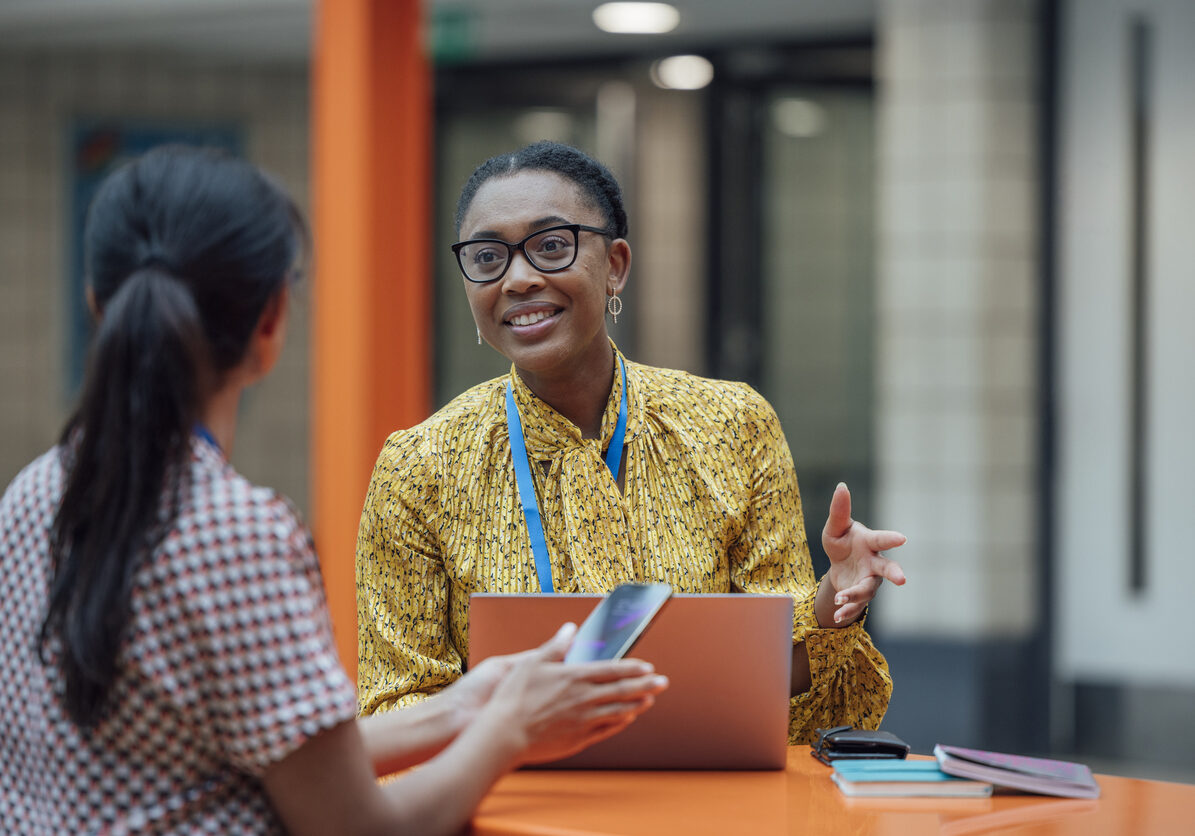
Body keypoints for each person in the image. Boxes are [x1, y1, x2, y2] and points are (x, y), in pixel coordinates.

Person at [0, 146, 668, 836]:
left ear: (95, 307)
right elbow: (359, 827)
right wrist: (510, 730)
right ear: (271, 320)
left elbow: (261, 753)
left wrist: (469, 705)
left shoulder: (33, 493)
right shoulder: (237, 533)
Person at [356, 140, 908, 745]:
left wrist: (832, 602)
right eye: (488, 257)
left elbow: (781, 689)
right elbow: (395, 704)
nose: (517, 278)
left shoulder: (731, 425)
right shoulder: (420, 466)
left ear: (615, 264)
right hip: (515, 808)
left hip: (704, 808)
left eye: (550, 246)